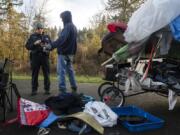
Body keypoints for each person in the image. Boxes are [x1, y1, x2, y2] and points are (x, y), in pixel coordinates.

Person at [46, 11, 78, 93]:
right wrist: (73, 53)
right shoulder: (74, 27)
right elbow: (75, 43)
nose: (61, 20)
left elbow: (61, 39)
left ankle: (62, 91)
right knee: (70, 71)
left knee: (61, 72)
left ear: (65, 18)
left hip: (63, 54)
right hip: (70, 54)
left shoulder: (67, 27)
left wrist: (51, 46)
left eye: (62, 18)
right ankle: (74, 87)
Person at [25, 22, 51, 96]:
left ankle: (47, 89)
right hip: (35, 57)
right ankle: (34, 90)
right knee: (34, 74)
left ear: (43, 29)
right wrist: (34, 44)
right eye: (38, 28)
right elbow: (27, 46)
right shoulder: (32, 36)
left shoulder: (47, 36)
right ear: (36, 29)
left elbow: (51, 46)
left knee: (46, 74)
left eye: (41, 28)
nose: (40, 30)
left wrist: (46, 46)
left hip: (45, 57)